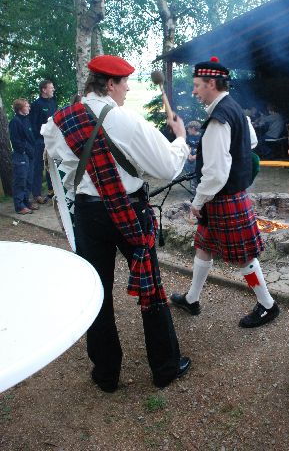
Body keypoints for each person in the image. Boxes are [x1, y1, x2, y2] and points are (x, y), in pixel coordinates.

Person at [42, 55, 191, 391]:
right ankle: (165, 367)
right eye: (124, 83)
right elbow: (167, 167)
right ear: (110, 84)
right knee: (150, 287)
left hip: (88, 214)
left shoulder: (60, 120)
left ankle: (106, 373)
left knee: (96, 292)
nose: (126, 90)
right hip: (127, 211)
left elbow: (60, 161)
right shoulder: (126, 120)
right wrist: (180, 141)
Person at [170, 56, 279, 328]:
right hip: (227, 197)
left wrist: (198, 201)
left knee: (243, 256)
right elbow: (250, 141)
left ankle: (268, 305)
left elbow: (217, 173)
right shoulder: (235, 110)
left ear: (211, 83)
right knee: (204, 247)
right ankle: (192, 299)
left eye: (197, 85)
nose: (194, 91)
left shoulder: (219, 119)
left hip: (223, 197)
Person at [9, 98, 38, 215]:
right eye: (27, 106)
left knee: (29, 180)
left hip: (30, 155)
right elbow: (15, 140)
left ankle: (26, 202)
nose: (29, 107)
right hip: (21, 156)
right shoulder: (15, 122)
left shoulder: (27, 120)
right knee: (20, 180)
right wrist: (25, 151)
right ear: (20, 108)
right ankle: (19, 206)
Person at [30, 79, 57, 204]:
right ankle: (37, 194)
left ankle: (52, 191)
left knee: (51, 166)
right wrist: (38, 140)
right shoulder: (36, 105)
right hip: (40, 141)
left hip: (52, 140)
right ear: (44, 90)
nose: (53, 89)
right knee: (39, 167)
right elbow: (33, 125)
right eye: (51, 88)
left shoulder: (53, 102)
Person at [184, 120, 201, 193]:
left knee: (196, 170)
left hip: (199, 158)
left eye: (188, 128)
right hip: (190, 157)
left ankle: (196, 188)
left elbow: (204, 150)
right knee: (184, 164)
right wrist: (189, 155)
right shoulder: (188, 137)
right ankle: (193, 182)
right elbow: (187, 146)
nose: (187, 130)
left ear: (193, 128)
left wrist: (195, 156)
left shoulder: (202, 137)